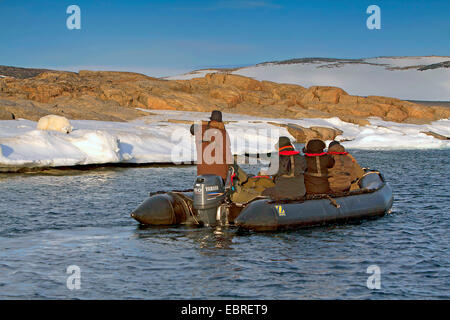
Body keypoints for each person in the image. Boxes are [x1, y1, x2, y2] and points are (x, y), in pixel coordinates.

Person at [190, 110, 233, 181]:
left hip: (202, 174)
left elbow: (192, 129)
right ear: (221, 121)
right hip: (220, 175)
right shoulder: (223, 133)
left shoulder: (200, 129)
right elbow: (227, 155)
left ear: (211, 119)